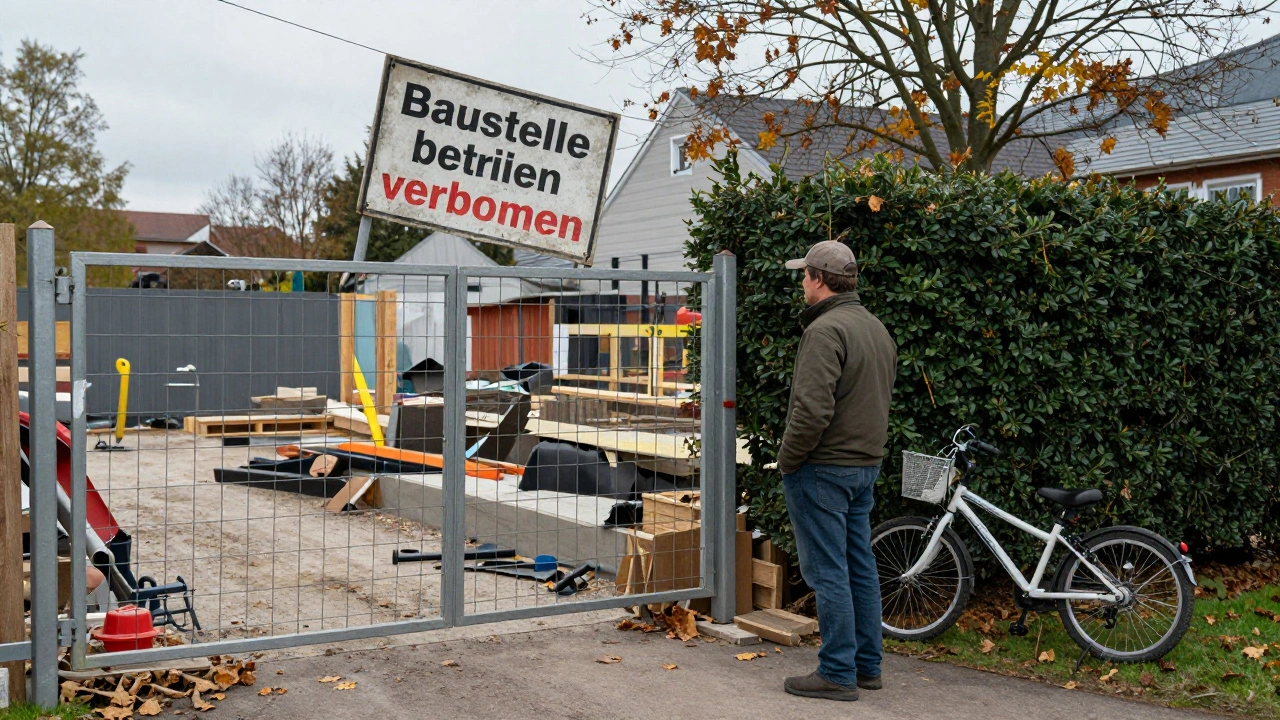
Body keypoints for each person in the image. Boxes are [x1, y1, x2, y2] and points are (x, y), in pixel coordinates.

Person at [777, 240, 897, 701]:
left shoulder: (825, 331)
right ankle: (867, 667)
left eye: (805, 274)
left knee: (828, 572)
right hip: (864, 467)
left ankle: (837, 672)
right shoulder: (874, 327)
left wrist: (789, 460)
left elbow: (811, 410)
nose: (802, 282)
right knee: (859, 567)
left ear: (820, 279)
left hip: (823, 468)